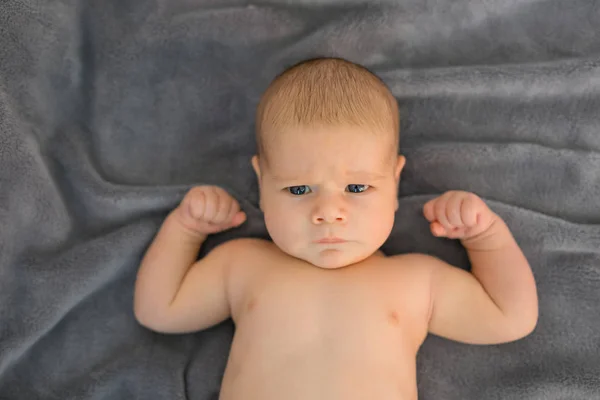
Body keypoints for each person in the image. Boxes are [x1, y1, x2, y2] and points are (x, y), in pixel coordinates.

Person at [133, 57, 538, 400]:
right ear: (261, 184)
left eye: (357, 187)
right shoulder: (242, 264)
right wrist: (185, 230)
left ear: (395, 183)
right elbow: (159, 311)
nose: (328, 212)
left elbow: (509, 318)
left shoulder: (417, 279)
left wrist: (486, 238)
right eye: (298, 189)